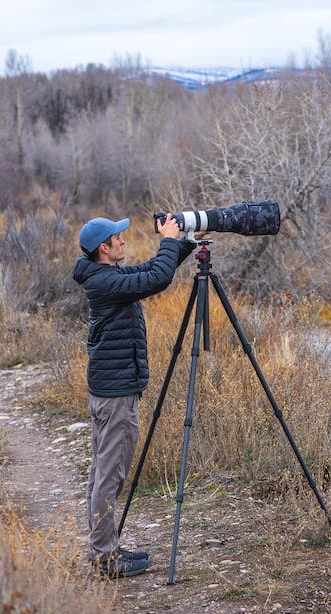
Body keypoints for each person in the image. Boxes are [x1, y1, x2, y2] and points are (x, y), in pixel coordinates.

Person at [71, 213, 195, 578]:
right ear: (103, 249)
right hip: (116, 396)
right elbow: (155, 279)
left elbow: (147, 273)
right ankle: (105, 558)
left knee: (102, 474)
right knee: (108, 476)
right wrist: (168, 241)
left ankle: (105, 546)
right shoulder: (105, 281)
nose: (123, 241)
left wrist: (183, 243)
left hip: (110, 391)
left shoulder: (104, 276)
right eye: (117, 238)